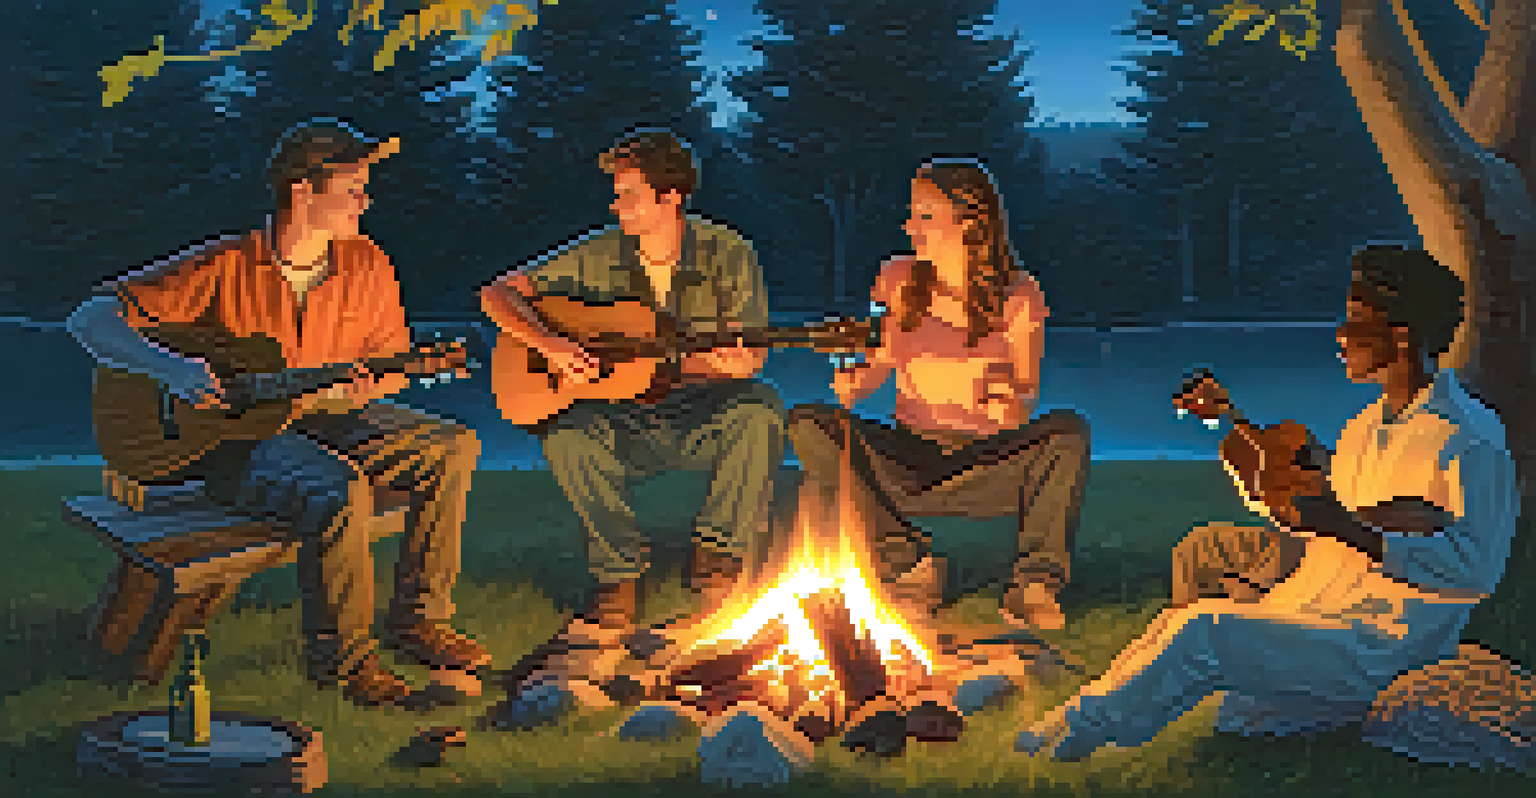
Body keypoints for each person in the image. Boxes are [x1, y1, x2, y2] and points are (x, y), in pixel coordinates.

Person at [1015, 245, 1519, 760]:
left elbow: (1476, 570)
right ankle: (1073, 717)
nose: (1340, 337)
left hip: (1383, 645)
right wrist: (1226, 425)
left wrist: (1352, 529)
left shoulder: (1468, 438)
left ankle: (1074, 737)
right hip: (1318, 614)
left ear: (1402, 335)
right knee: (1184, 628)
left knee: (1204, 632)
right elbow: (1304, 509)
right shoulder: (1366, 429)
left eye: (1354, 322)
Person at [67, 119, 489, 707]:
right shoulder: (226, 265)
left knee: (453, 446)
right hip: (229, 442)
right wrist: (175, 371)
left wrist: (364, 388)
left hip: (322, 417)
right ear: (302, 191)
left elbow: (380, 371)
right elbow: (88, 319)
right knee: (340, 490)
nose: (365, 202)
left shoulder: (368, 265)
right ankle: (345, 666)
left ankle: (418, 621)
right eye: (352, 189)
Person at [480, 129, 784, 632]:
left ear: (672, 197)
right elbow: (496, 295)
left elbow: (749, 351)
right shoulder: (596, 255)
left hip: (699, 406)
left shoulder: (728, 254)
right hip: (618, 415)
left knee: (758, 409)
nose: (616, 204)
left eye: (629, 194)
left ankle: (718, 554)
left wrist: (731, 364)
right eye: (618, 193)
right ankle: (617, 574)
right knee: (567, 437)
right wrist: (550, 345)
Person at [785, 158, 1090, 628]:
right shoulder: (895, 279)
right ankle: (910, 564)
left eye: (925, 215)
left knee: (1069, 433)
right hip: (911, 454)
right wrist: (848, 371)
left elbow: (1021, 402)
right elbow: (874, 365)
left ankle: (1034, 585)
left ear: (969, 221)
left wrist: (996, 400)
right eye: (911, 213)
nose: (909, 225)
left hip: (985, 459)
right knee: (808, 423)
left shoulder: (1020, 294)